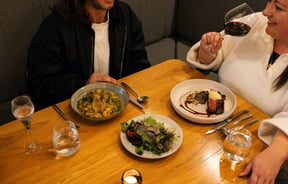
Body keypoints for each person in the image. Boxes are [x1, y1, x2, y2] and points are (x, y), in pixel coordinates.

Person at [186, 0, 288, 183]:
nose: (265, 12)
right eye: (269, 2)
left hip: (256, 145)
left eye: (278, 8)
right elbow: (217, 52)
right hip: (210, 125)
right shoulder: (256, 22)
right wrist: (209, 51)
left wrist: (278, 150)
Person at [26, 0, 150, 110]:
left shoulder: (125, 15)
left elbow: (140, 65)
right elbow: (39, 84)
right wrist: (83, 85)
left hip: (119, 108)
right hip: (75, 114)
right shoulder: (54, 27)